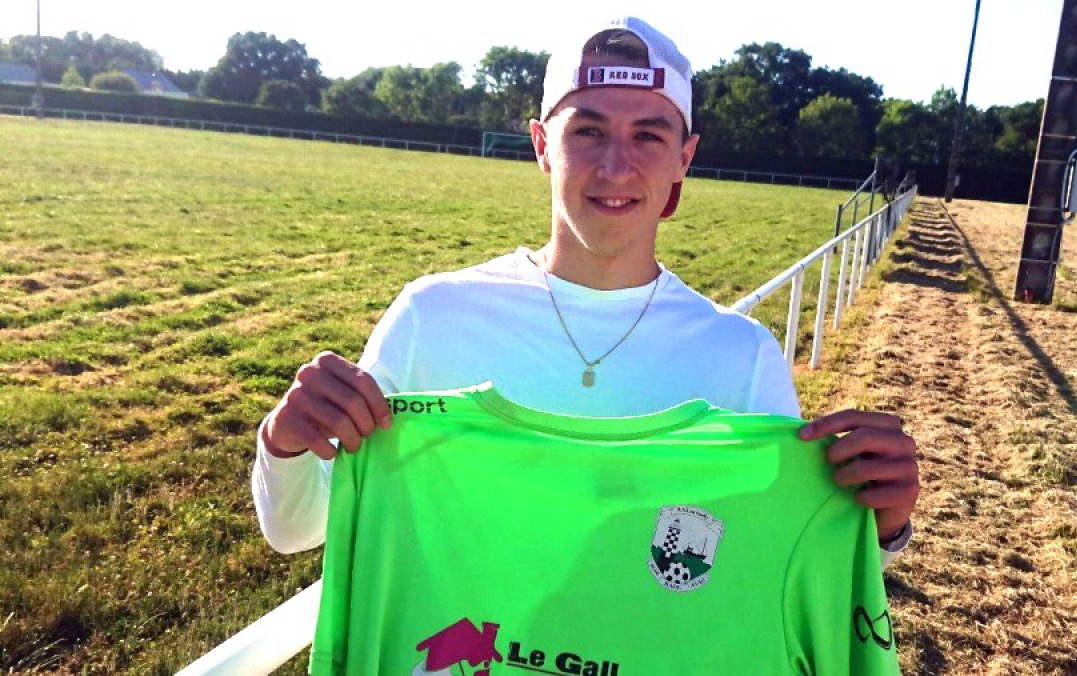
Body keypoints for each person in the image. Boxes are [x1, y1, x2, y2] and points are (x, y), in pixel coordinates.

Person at [252, 16, 918, 566]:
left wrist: (882, 526)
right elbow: (296, 529)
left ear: (684, 158)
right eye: (589, 131)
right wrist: (286, 442)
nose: (615, 166)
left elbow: (780, 559)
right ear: (543, 145)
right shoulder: (433, 316)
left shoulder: (742, 357)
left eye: (647, 135)